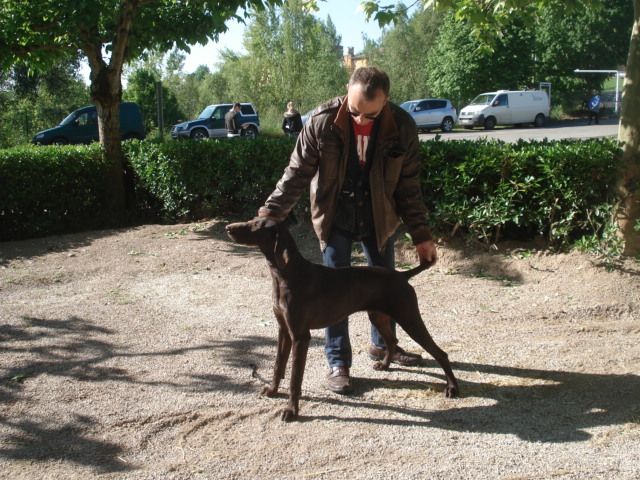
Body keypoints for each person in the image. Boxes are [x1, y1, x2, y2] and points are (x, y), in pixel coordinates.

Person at [258, 66, 437, 394]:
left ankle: (385, 347)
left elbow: (408, 186)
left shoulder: (403, 126)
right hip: (334, 216)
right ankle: (338, 361)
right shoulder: (322, 121)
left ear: (386, 101)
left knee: (385, 283)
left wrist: (422, 235)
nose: (360, 121)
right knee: (332, 290)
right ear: (346, 91)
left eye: (370, 115)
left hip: (380, 218)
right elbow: (296, 173)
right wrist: (271, 211)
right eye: (354, 112)